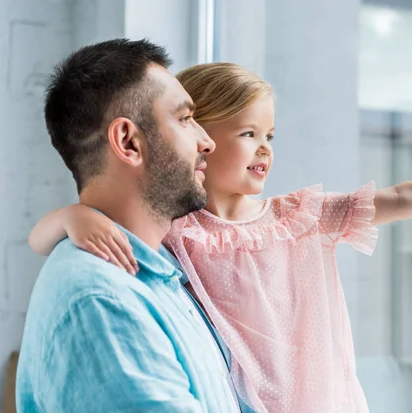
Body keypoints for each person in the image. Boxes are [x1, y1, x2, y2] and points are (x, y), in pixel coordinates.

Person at [29, 62, 412, 413]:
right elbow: (46, 237)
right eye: (247, 134)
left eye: (270, 135)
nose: (266, 149)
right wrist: (72, 218)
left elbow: (404, 197)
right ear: (204, 138)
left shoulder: (300, 218)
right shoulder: (176, 232)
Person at [16, 40, 252, 412]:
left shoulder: (166, 273)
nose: (206, 142)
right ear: (128, 142)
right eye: (185, 119)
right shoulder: (101, 303)